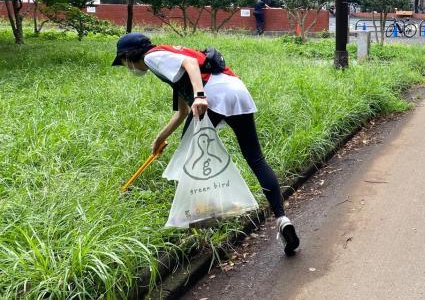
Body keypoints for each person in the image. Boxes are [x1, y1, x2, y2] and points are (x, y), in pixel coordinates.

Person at [111, 33, 300, 256]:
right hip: (235, 89)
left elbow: (190, 64)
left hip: (210, 94)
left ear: (129, 56)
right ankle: (281, 218)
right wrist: (159, 138)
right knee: (255, 159)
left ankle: (198, 221)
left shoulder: (153, 57)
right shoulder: (170, 61)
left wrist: (200, 95)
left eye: (123, 62)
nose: (126, 67)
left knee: (188, 159)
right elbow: (181, 111)